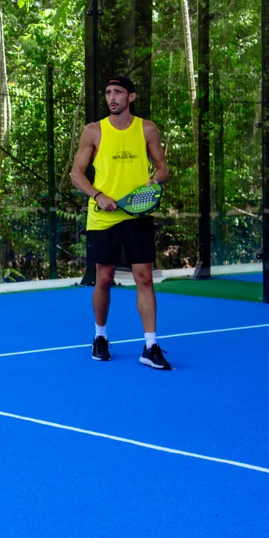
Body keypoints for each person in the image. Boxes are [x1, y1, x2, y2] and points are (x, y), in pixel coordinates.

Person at [69, 76, 172, 370]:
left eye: (118, 92)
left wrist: (151, 185)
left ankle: (150, 346)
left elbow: (162, 167)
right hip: (103, 217)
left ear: (131, 97)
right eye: (108, 92)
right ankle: (100, 337)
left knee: (145, 278)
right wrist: (97, 195)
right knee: (103, 278)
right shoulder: (93, 131)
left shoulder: (147, 128)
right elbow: (77, 173)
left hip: (138, 217)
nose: (112, 97)